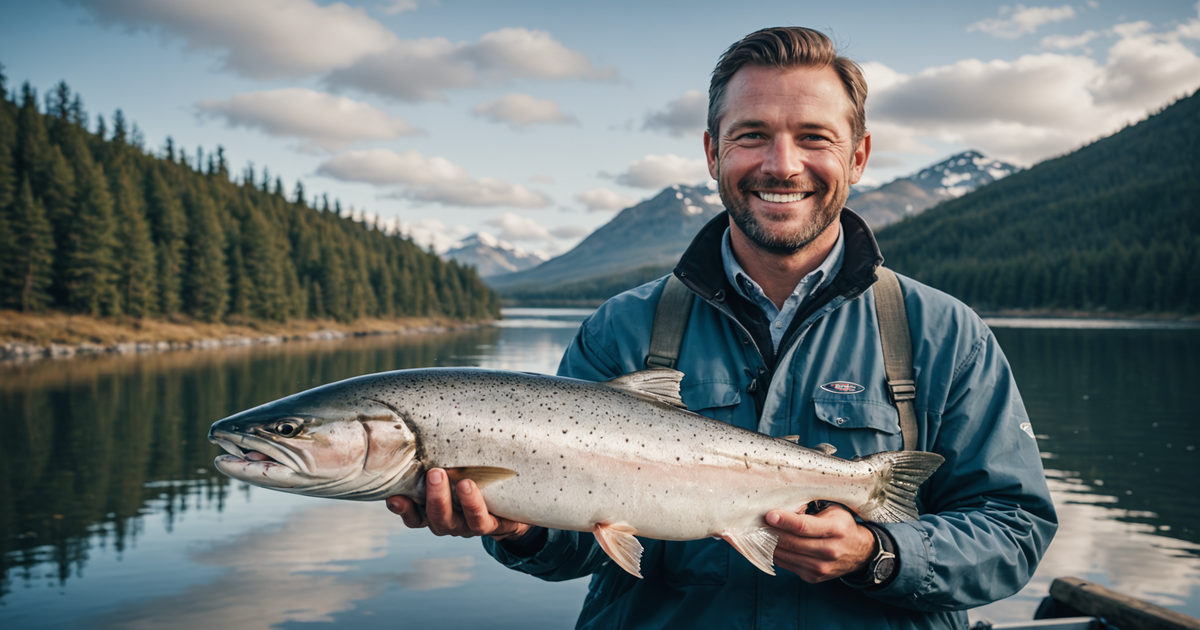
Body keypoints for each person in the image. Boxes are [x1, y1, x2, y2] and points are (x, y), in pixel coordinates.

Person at [385, 26, 1057, 629]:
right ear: (713, 152)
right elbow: (577, 549)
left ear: (858, 157)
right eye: (752, 134)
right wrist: (519, 528)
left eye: (814, 137)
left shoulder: (943, 333)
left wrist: (879, 552)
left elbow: (1015, 529)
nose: (782, 164)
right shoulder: (622, 328)